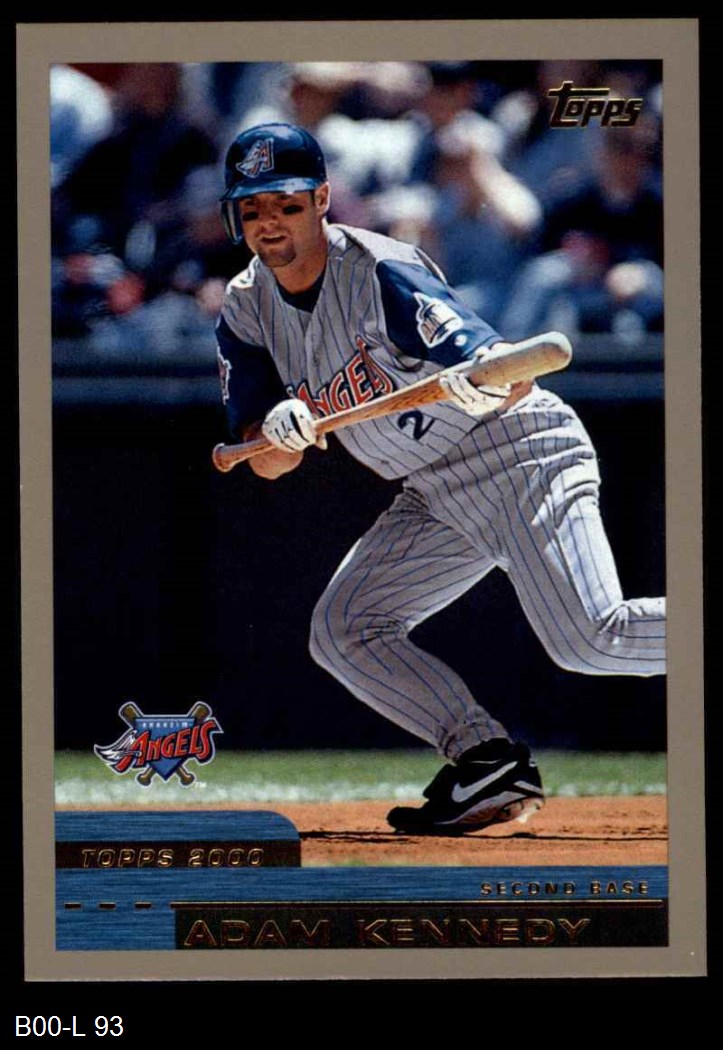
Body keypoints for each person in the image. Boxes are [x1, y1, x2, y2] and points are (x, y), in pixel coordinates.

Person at [215, 123, 666, 835]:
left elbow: (511, 376)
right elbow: (263, 460)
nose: (269, 222)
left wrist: (478, 383)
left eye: (287, 204)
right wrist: (277, 431)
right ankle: (486, 761)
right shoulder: (245, 306)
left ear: (322, 200)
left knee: (590, 638)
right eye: (253, 208)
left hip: (519, 455)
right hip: (432, 490)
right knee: (344, 629)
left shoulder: (379, 270)